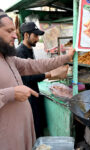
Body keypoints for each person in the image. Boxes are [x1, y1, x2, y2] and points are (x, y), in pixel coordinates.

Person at [0, 9, 74, 150]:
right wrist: (11, 93)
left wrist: (65, 57)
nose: (15, 35)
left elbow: (35, 65)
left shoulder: (8, 58)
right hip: (7, 139)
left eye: (14, 31)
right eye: (9, 31)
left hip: (24, 132)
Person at [16, 22, 69, 138]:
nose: (37, 39)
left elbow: (36, 68)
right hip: (27, 97)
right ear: (26, 35)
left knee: (38, 125)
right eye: (35, 36)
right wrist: (51, 74)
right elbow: (26, 77)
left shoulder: (28, 50)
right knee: (35, 128)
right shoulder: (20, 52)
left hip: (34, 92)